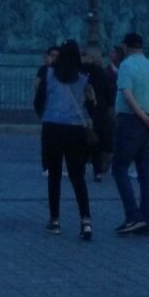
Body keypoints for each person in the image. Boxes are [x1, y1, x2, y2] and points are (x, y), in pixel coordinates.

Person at [111, 32, 149, 237]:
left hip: (130, 121)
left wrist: (142, 116)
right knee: (146, 175)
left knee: (119, 168)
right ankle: (147, 221)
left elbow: (127, 94)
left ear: (126, 47)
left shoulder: (126, 66)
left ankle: (134, 216)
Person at [40, 38, 95, 241]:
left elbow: (40, 99)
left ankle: (54, 220)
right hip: (75, 130)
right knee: (77, 177)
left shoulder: (50, 74)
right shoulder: (83, 78)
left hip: (52, 128)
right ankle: (86, 221)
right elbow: (90, 104)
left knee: (54, 176)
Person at [82, 43, 116, 182]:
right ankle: (97, 172)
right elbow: (109, 96)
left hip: (84, 111)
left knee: (81, 142)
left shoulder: (82, 72)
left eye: (84, 55)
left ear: (89, 57)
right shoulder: (103, 73)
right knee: (96, 142)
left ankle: (80, 169)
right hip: (99, 113)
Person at [34, 44, 60, 173]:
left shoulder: (61, 70)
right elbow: (36, 84)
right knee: (47, 138)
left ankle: (56, 164)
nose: (54, 58)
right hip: (47, 107)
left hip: (58, 108)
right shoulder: (43, 70)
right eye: (52, 55)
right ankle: (47, 165)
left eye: (57, 56)